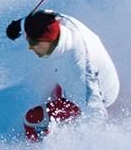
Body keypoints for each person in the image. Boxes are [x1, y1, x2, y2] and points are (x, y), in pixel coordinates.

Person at [11, 9, 119, 140]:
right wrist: (20, 25)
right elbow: (44, 17)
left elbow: (96, 114)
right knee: (55, 94)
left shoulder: (78, 69)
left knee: (32, 119)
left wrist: (78, 142)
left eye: (34, 43)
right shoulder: (61, 23)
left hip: (101, 95)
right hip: (86, 81)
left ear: (48, 42)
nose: (30, 47)